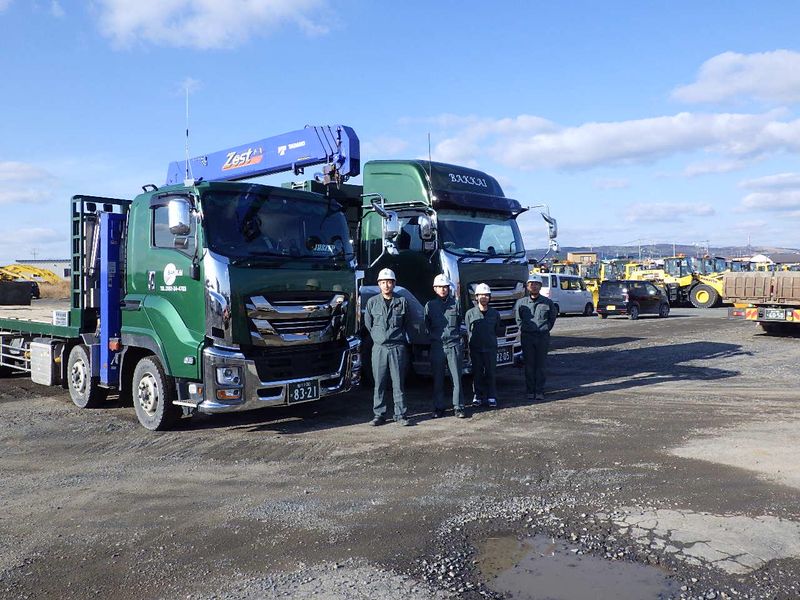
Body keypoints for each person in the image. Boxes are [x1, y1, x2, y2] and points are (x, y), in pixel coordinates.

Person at [364, 268, 412, 426]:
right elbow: (368, 324)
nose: (386, 285)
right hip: (379, 348)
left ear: (394, 284)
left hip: (397, 347)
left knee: (398, 382)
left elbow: (407, 323)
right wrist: (379, 337)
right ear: (379, 284)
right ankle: (379, 414)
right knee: (379, 382)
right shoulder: (372, 302)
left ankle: (401, 414)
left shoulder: (402, 301)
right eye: (383, 282)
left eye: (389, 282)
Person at [424, 274, 466, 419]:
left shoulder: (456, 304)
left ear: (448, 289)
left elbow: (460, 321)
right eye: (440, 287)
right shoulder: (430, 305)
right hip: (438, 346)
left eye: (445, 287)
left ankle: (459, 407)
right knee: (438, 379)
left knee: (456, 379)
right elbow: (427, 325)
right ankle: (438, 407)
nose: (443, 289)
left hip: (453, 345)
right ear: (435, 289)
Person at [514, 274, 557, 402]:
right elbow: (518, 319)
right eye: (531, 284)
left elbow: (552, 319)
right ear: (527, 287)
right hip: (527, 337)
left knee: (541, 365)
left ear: (540, 286)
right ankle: (530, 390)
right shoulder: (521, 303)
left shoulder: (547, 302)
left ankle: (539, 391)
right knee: (529, 365)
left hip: (542, 337)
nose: (534, 286)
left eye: (536, 284)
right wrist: (525, 329)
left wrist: (545, 328)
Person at [465, 283, 504, 408]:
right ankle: (478, 395)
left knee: (491, 373)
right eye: (481, 295)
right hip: (476, 348)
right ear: (476, 297)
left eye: (486, 295)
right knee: (477, 373)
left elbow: (497, 330)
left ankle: (492, 396)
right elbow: (468, 330)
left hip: (490, 348)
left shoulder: (495, 314)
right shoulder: (470, 313)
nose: (484, 297)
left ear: (489, 297)